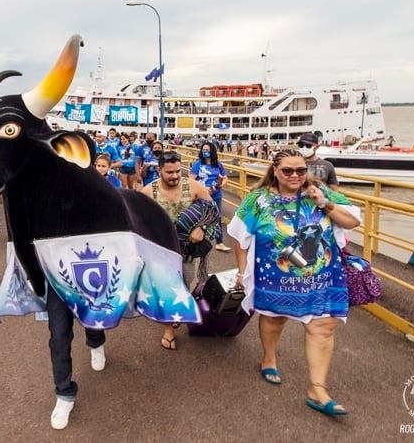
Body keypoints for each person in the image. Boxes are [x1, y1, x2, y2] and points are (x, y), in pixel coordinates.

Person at [228, 149, 360, 416]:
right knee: (275, 318)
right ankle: (269, 357)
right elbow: (238, 234)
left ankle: (317, 389)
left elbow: (353, 220)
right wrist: (242, 271)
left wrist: (325, 204)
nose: (295, 176)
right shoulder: (259, 199)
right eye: (288, 170)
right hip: (276, 280)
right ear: (275, 171)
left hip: (322, 280)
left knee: (323, 327)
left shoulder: (319, 191)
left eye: (301, 170)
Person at [142, 150, 212, 350]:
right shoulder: (148, 192)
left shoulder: (195, 187)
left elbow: (211, 212)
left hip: (187, 251)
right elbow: (138, 222)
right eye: (169, 172)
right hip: (160, 252)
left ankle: (178, 311)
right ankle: (169, 330)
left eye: (177, 172)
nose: (174, 176)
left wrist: (202, 228)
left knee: (185, 285)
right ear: (159, 170)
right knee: (166, 290)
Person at [189, 141, 231, 252]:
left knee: (217, 217)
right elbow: (191, 180)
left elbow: (225, 177)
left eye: (207, 150)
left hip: (216, 194)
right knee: (199, 218)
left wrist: (222, 183)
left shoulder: (218, 164)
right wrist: (201, 188)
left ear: (212, 151)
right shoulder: (197, 164)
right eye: (203, 150)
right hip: (201, 195)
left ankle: (219, 242)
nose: (205, 152)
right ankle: (195, 242)